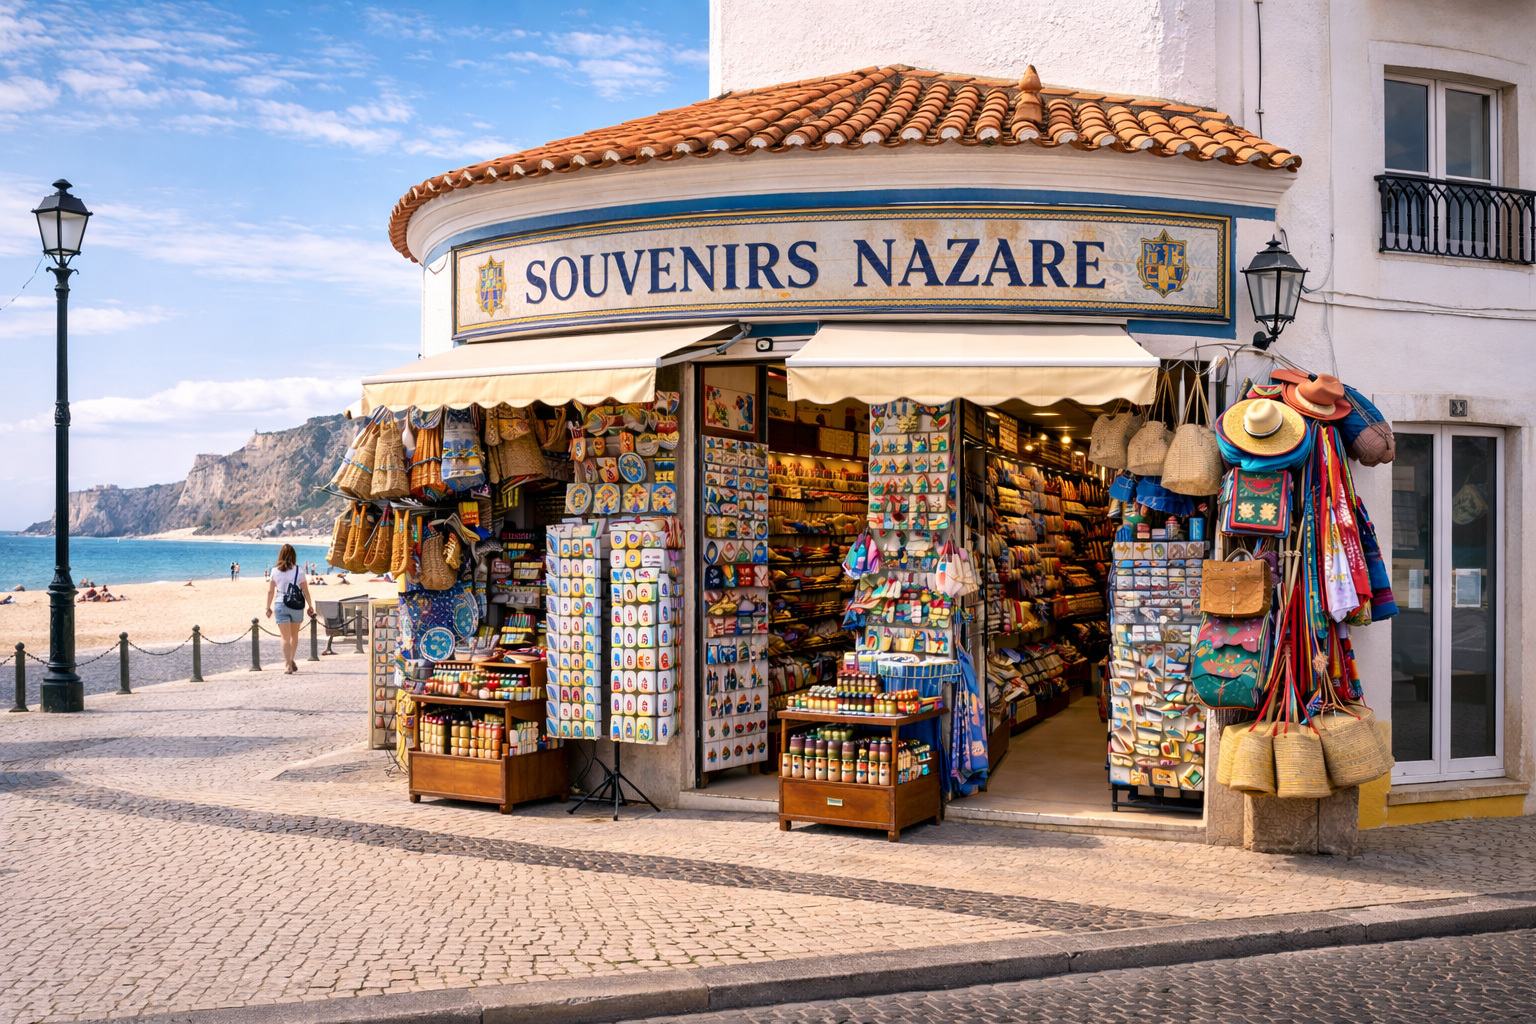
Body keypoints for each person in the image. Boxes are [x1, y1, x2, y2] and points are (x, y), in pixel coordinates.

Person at [265, 543, 315, 674]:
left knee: (285, 637)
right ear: (294, 556)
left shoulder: (275, 571)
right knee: (294, 635)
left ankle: (287, 664)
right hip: (296, 606)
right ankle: (291, 659)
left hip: (281, 604)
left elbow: (270, 591)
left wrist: (267, 607)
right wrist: (310, 605)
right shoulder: (299, 571)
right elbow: (305, 590)